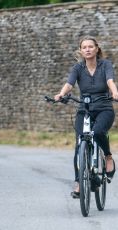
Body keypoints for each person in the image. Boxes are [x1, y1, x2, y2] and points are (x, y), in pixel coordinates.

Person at [54, 35, 118, 198]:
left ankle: (108, 157)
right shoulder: (78, 68)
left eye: (91, 46)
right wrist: (61, 94)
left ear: (97, 49)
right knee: (79, 145)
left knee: (97, 133)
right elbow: (69, 84)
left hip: (104, 108)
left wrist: (115, 92)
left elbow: (110, 81)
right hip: (84, 110)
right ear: (81, 51)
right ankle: (79, 183)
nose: (88, 49)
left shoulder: (106, 65)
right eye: (84, 47)